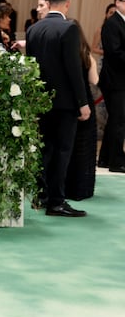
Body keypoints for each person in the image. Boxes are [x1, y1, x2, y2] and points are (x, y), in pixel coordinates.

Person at [26, 0, 90, 216]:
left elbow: (31, 68)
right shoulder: (69, 28)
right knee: (63, 152)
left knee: (44, 150)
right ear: (67, 4)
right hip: (64, 103)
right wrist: (82, 101)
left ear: (49, 3)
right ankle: (56, 201)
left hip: (41, 100)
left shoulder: (33, 30)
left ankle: (42, 195)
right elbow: (73, 69)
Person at [65, 20, 98, 200]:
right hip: (85, 101)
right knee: (84, 146)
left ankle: (63, 186)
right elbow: (94, 80)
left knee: (66, 146)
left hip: (67, 101)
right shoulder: (86, 55)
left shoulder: (64, 55)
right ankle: (81, 188)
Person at [99, 0, 125, 173]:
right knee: (118, 121)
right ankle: (116, 161)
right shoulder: (112, 24)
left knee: (116, 120)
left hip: (120, 79)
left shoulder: (120, 23)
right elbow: (114, 53)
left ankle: (106, 159)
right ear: (118, 3)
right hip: (115, 80)